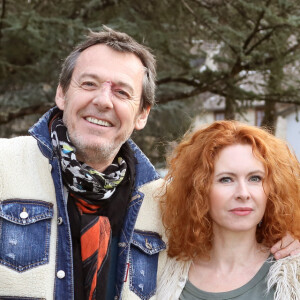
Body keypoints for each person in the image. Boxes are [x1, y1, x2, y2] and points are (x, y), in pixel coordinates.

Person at [0, 27, 298, 300]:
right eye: (89, 83)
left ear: (142, 114)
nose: (104, 101)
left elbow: (230, 232)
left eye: (122, 92)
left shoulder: (162, 204)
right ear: (62, 94)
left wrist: (291, 235)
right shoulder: (5, 166)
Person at [158, 120, 300, 299]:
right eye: (226, 179)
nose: (243, 193)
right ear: (199, 190)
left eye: (255, 178)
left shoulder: (293, 274)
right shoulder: (162, 270)